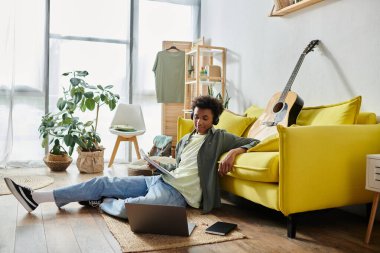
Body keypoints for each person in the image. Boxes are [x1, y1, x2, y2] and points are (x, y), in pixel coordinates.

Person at [4, 95, 259, 219]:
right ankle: (37, 198)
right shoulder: (185, 140)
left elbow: (254, 140)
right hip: (161, 181)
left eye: (205, 117)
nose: (199, 121)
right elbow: (181, 166)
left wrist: (236, 151)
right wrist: (158, 163)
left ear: (213, 118)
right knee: (101, 181)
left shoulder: (220, 137)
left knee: (134, 209)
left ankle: (101, 201)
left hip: (179, 195)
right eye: (196, 116)